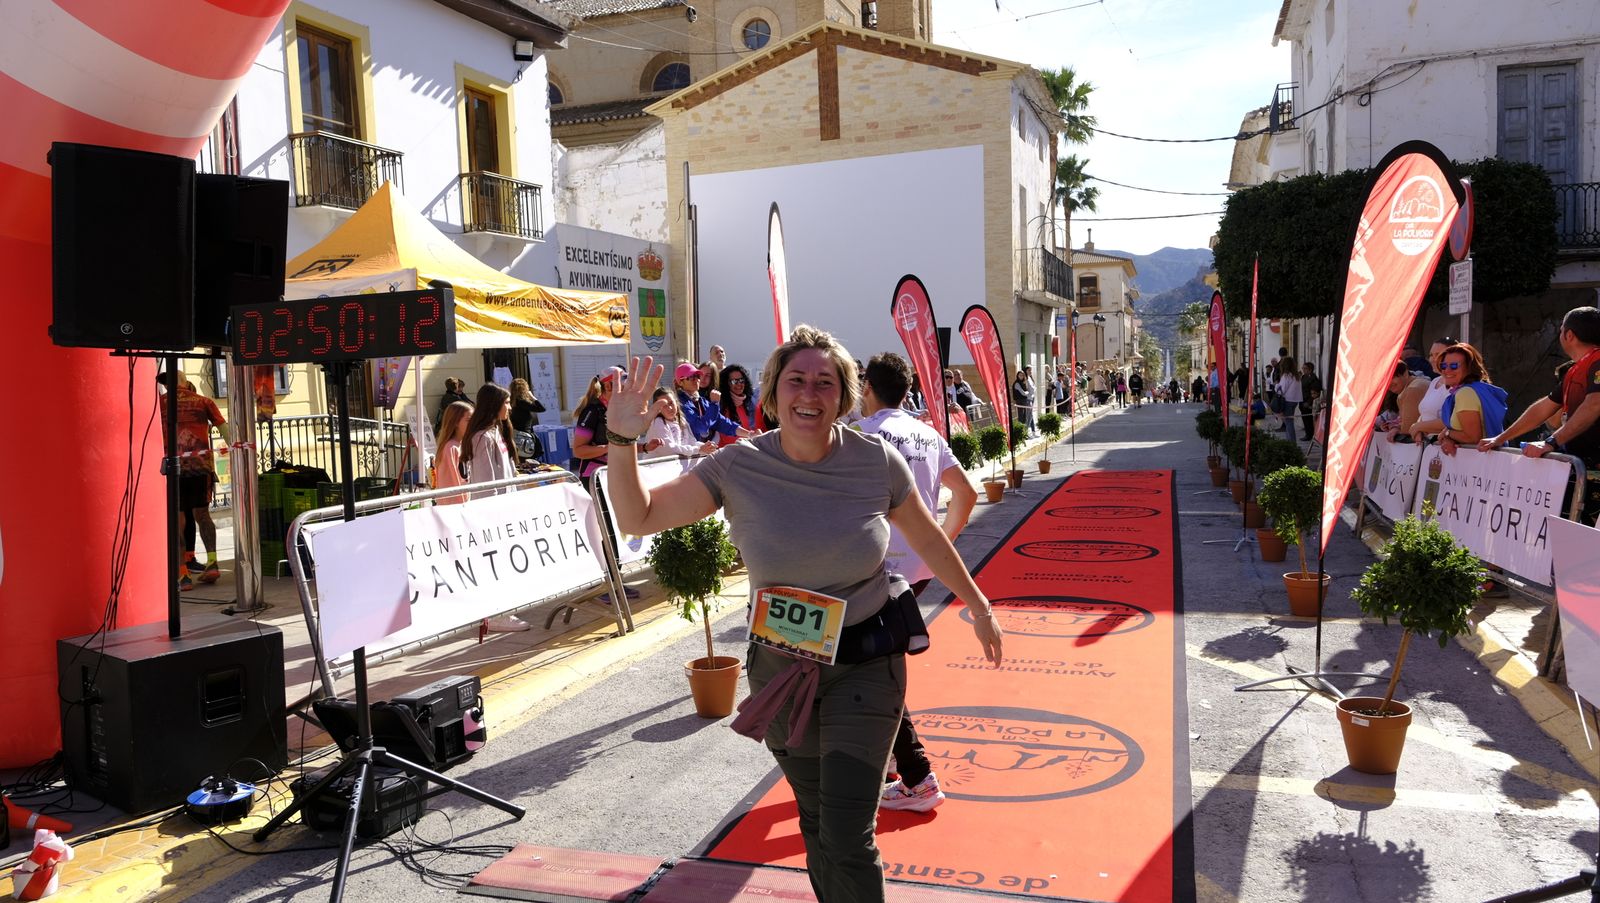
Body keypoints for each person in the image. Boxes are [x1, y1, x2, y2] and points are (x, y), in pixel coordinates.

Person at [604, 329, 1004, 903]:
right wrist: (621, 438)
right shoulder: (737, 466)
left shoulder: (876, 461)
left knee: (846, 831)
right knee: (816, 823)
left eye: (825, 382)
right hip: (782, 668)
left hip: (867, 663)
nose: (809, 393)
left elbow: (930, 538)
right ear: (772, 392)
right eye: (796, 380)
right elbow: (639, 517)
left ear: (845, 396)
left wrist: (978, 602)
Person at [857, 353, 978, 812]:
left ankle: (917, 776)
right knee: (879, 665)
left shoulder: (859, 436)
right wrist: (939, 543)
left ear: (867, 388)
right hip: (918, 572)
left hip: (871, 571)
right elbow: (965, 494)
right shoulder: (929, 433)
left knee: (875, 671)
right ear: (906, 389)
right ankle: (892, 765)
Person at [1482, 307, 1600, 524]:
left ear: (1569, 335)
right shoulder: (1576, 369)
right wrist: (1499, 438)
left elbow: (1594, 405)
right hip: (1582, 471)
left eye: (1561, 330)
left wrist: (1551, 442)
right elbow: (1544, 408)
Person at [460, 383, 528, 632]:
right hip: (492, 512)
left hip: (504, 508)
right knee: (495, 562)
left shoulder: (495, 432)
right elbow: (487, 482)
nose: (510, 407)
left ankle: (504, 610)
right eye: (507, 402)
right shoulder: (481, 437)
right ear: (494, 404)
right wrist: (498, 510)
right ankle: (497, 614)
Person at [159, 376, 226, 589]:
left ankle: (182, 575)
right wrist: (239, 446)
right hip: (201, 467)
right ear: (186, 382)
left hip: (174, 468)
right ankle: (213, 563)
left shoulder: (159, 404)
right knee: (203, 515)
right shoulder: (203, 401)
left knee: (177, 521)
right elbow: (225, 429)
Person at [1424, 342, 1506, 456]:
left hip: (1481, 463)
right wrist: (1450, 437)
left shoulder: (1465, 393)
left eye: (1454, 366)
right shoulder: (1476, 389)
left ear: (1469, 368)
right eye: (1443, 366)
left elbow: (1472, 437)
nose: (1447, 370)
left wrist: (1447, 433)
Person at [675, 362, 752, 443]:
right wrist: (714, 403)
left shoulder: (701, 401)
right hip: (688, 452)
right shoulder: (680, 402)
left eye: (697, 376)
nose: (697, 380)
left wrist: (750, 434)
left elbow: (722, 422)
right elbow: (700, 428)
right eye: (691, 377)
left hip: (701, 450)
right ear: (680, 382)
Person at [1406, 336, 1458, 442]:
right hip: (1430, 447)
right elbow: (1426, 413)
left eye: (1438, 354)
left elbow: (1454, 421)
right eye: (1431, 355)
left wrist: (1418, 426)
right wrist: (1419, 429)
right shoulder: (1435, 381)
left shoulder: (1459, 384)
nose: (1433, 359)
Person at [643, 388, 714, 460]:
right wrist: (698, 449)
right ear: (658, 408)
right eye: (664, 405)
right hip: (655, 467)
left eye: (671, 403)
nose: (669, 408)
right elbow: (669, 449)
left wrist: (705, 446)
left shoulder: (682, 420)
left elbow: (691, 442)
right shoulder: (658, 422)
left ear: (676, 402)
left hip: (677, 465)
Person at [432, 400, 473, 504]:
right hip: (454, 505)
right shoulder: (450, 448)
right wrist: (463, 503)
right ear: (455, 423)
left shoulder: (463, 444)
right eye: (468, 420)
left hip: (464, 502)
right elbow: (454, 480)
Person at [1382, 361, 1432, 440]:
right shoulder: (1415, 385)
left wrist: (1396, 428)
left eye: (1392, 377)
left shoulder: (1412, 389)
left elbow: (1408, 428)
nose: (1389, 384)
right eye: (1385, 380)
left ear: (1405, 373)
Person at [718, 363, 766, 446]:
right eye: (734, 381)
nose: (739, 384)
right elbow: (726, 436)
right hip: (728, 454)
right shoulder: (721, 403)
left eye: (741, 380)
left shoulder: (745, 402)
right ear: (726, 384)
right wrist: (752, 438)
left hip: (744, 450)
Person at [508, 377, 547, 463]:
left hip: (515, 435)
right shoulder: (522, 402)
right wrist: (532, 397)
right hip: (525, 437)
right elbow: (542, 409)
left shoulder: (510, 402)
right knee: (528, 460)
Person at [1276, 356, 1304, 443]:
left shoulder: (1286, 376)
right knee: (1289, 421)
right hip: (1295, 400)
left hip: (1287, 400)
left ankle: (1291, 443)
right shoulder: (1296, 376)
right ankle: (1290, 441)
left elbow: (1282, 390)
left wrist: (1276, 386)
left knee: (1288, 422)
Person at [1299, 362, 1322, 439]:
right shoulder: (1303, 377)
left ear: (1310, 370)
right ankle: (1307, 434)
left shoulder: (1313, 379)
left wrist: (1308, 402)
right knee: (1305, 419)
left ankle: (1310, 435)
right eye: (1303, 368)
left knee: (1309, 419)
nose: (1303, 370)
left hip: (1308, 402)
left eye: (1305, 368)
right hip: (1302, 400)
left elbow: (1314, 392)